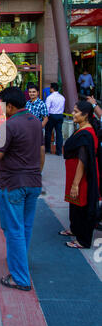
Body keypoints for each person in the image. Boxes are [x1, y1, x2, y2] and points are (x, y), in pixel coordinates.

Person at [0, 87, 45, 291]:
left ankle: (20, 277)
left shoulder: (8, 126)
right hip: (33, 182)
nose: (2, 109)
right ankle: (19, 262)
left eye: (3, 105)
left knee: (14, 229)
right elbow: (41, 152)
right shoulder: (36, 122)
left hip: (13, 184)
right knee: (24, 227)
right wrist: (37, 173)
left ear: (10, 106)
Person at [61, 101, 100, 248]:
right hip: (75, 173)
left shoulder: (87, 133)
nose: (73, 114)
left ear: (85, 115)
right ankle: (75, 229)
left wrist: (76, 183)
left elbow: (83, 160)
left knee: (82, 206)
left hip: (82, 175)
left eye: (76, 112)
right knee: (75, 204)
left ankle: (82, 240)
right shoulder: (82, 129)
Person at [45, 83, 65, 156]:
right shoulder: (62, 97)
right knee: (59, 133)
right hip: (60, 116)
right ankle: (59, 151)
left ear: (52, 88)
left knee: (48, 132)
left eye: (50, 88)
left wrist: (46, 117)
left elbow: (47, 108)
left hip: (52, 116)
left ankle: (48, 149)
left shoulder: (49, 97)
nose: (50, 89)